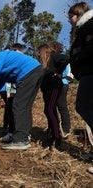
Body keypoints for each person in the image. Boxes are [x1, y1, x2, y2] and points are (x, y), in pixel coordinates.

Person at [0, 48, 43, 150]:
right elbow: (1, 83)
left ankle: (21, 140)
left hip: (28, 73)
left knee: (19, 105)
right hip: (36, 70)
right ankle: (23, 135)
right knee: (23, 106)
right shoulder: (1, 58)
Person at [68, 2, 93, 174]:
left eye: (71, 16)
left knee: (83, 106)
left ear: (78, 13)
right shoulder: (82, 29)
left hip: (91, 71)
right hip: (85, 73)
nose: (69, 20)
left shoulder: (90, 26)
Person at [37, 42, 68, 149]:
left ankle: (57, 137)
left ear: (44, 51)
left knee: (50, 110)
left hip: (54, 87)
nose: (38, 55)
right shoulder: (43, 64)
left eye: (39, 52)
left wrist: (59, 72)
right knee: (49, 110)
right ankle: (52, 132)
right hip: (46, 89)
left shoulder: (54, 57)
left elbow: (66, 59)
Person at [57, 63, 73, 138]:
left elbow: (69, 76)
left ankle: (66, 129)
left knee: (62, 106)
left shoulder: (65, 62)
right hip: (58, 84)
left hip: (62, 84)